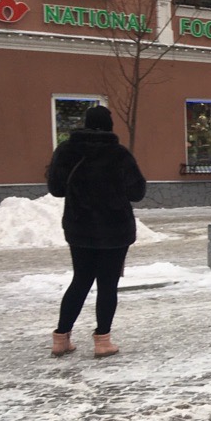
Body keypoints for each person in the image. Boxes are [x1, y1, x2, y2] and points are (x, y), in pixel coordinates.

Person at [46, 105, 147, 358]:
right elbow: (137, 192)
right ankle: (102, 341)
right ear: (110, 126)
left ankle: (61, 338)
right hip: (115, 230)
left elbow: (56, 189)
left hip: (79, 226)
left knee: (80, 280)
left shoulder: (67, 151)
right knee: (107, 285)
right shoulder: (119, 154)